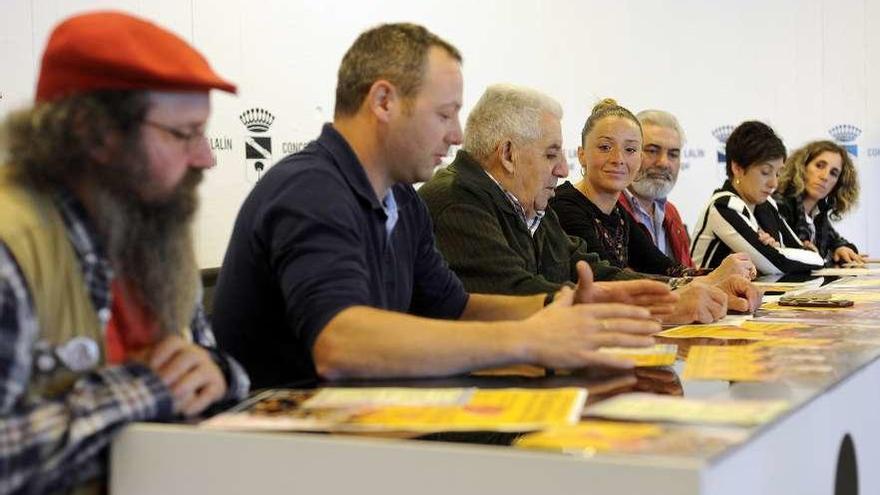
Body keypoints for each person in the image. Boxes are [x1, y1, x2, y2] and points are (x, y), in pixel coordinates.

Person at [212, 24, 675, 390]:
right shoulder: (311, 189)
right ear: (384, 101)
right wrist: (528, 336)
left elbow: (457, 307)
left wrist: (565, 306)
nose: (456, 136)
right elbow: (341, 342)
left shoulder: (401, 200)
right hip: (280, 454)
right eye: (443, 114)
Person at [0, 12, 249, 493]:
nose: (206, 157)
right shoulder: (13, 247)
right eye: (183, 134)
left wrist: (217, 374)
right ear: (94, 134)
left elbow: (205, 365)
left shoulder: (150, 227)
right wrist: (149, 390)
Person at [420, 86, 760, 325]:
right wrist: (663, 307)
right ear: (508, 154)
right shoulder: (457, 201)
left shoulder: (530, 208)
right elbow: (517, 295)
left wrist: (691, 289)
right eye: (552, 154)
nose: (563, 169)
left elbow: (589, 269)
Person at [690, 121, 824, 274]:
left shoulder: (767, 204)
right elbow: (778, 263)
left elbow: (799, 249)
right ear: (737, 168)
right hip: (709, 295)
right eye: (766, 172)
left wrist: (779, 250)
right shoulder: (723, 206)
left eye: (778, 173)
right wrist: (781, 253)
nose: (774, 183)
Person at [765, 140, 864, 265]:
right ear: (802, 166)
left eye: (833, 173)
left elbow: (836, 241)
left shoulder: (819, 213)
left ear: (838, 183)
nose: (825, 177)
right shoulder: (779, 205)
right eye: (819, 166)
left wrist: (841, 248)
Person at [619, 109, 692, 267]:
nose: (663, 163)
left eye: (673, 154)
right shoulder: (609, 209)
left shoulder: (672, 213)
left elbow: (687, 275)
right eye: (652, 151)